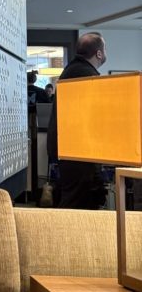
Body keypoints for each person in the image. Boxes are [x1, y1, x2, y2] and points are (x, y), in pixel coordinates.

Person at [46, 32, 108, 209]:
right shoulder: (85, 74)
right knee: (78, 201)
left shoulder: (72, 70)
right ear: (98, 53)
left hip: (69, 149)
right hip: (79, 152)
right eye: (105, 49)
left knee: (74, 197)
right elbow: (94, 115)